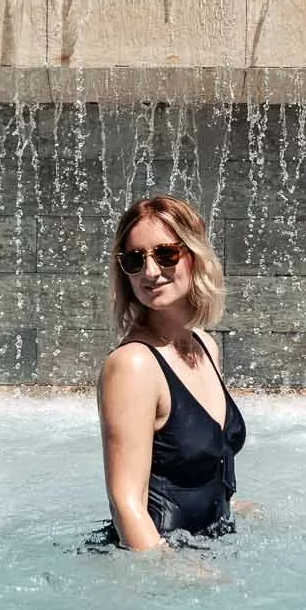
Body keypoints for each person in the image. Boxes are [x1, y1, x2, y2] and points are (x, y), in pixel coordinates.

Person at [95, 193, 246, 550]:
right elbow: (126, 503)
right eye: (135, 260)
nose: (150, 272)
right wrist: (176, 574)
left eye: (166, 254)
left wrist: (235, 508)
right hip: (159, 567)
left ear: (194, 255)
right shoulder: (134, 365)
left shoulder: (205, 346)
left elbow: (201, 471)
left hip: (208, 550)